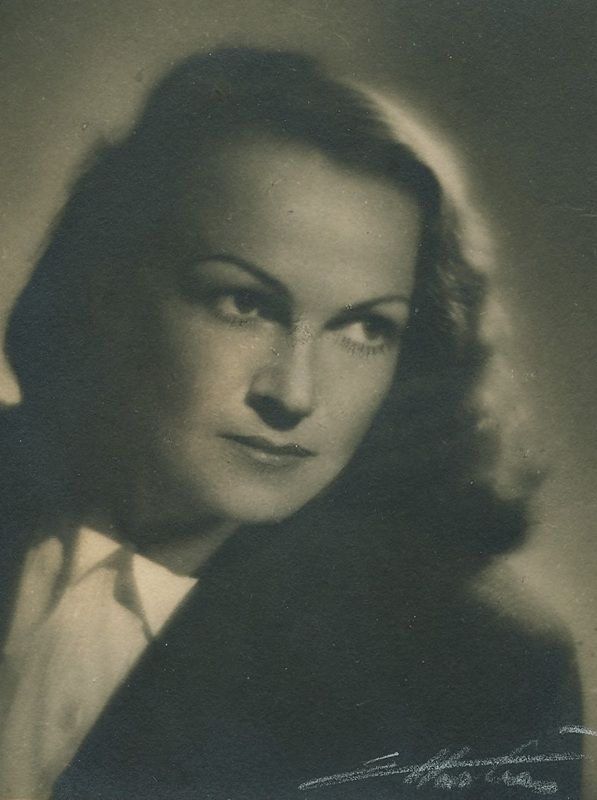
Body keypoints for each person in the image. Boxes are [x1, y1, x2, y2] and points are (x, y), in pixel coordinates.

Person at [0, 47, 583, 799]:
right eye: (244, 303)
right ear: (110, 288)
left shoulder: (478, 671)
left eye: (365, 328)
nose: (294, 394)